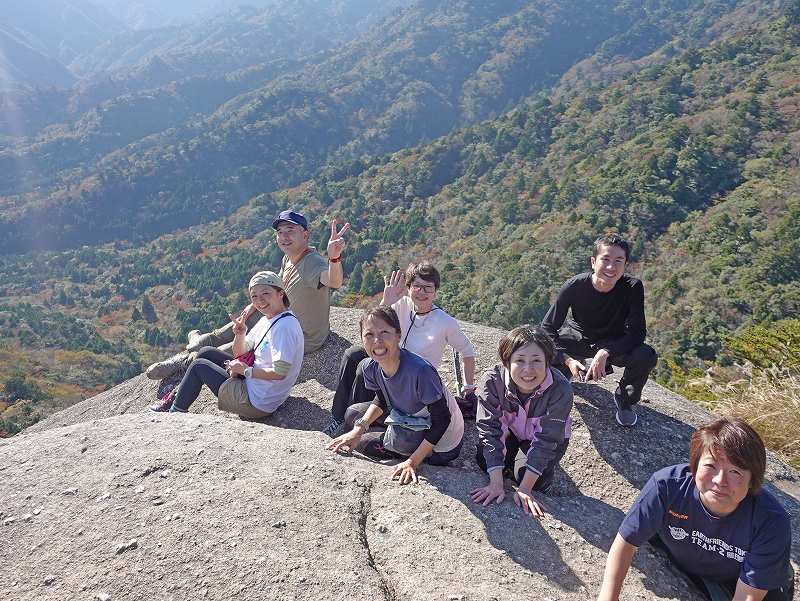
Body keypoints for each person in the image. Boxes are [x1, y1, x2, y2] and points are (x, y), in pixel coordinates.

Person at [596, 418, 794, 601]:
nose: (719, 481)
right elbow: (627, 542)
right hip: (686, 561)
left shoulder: (770, 522)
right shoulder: (667, 487)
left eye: (735, 472)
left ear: (753, 480)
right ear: (695, 466)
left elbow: (748, 596)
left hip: (742, 582)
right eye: (711, 466)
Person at [144, 210, 349, 379]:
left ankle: (183, 361)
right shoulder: (290, 258)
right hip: (279, 316)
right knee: (239, 323)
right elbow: (280, 286)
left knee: (235, 347)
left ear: (305, 234)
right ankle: (198, 341)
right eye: (280, 232)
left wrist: (335, 258)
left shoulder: (312, 262)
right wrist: (254, 305)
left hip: (299, 335)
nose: (284, 237)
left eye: (290, 230)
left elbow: (333, 281)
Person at [321, 262, 477, 438]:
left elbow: (467, 351)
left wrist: (468, 387)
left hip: (412, 382)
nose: (422, 292)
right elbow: (372, 327)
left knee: (364, 367)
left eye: (428, 288)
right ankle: (339, 418)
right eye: (417, 286)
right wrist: (386, 302)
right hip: (390, 363)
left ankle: (358, 421)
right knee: (353, 355)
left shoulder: (445, 322)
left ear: (436, 291)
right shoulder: (400, 304)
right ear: (408, 287)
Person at [326, 305, 464, 484]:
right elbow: (382, 398)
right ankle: (391, 437)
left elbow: (442, 420)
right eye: (369, 334)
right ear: (361, 338)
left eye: (384, 332)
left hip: (443, 443)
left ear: (398, 335)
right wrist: (358, 429)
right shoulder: (371, 366)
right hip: (410, 417)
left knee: (364, 443)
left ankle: (400, 446)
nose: (377, 341)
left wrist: (412, 462)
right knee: (353, 414)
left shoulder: (420, 372)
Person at [541, 233, 657, 427]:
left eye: (618, 261)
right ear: (593, 262)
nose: (611, 267)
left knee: (646, 355)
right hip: (578, 337)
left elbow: (637, 333)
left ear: (625, 264)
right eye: (606, 259)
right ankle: (568, 368)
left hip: (612, 340)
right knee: (539, 344)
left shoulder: (632, 287)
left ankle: (625, 399)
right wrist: (566, 359)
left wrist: (605, 352)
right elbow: (547, 328)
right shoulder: (574, 286)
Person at [149, 271, 304, 416]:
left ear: (280, 293)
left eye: (266, 293)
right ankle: (177, 396)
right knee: (206, 352)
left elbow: (280, 373)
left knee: (199, 367)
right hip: (256, 386)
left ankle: (174, 412)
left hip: (256, 403)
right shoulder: (269, 319)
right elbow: (239, 353)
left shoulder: (285, 327)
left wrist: (246, 371)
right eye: (254, 296)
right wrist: (240, 334)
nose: (259, 300)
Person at [471, 326, 573, 519]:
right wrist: (496, 483)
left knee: (534, 480)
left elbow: (547, 440)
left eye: (536, 361)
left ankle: (527, 467)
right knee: (486, 462)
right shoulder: (492, 381)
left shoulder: (561, 389)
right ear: (507, 362)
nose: (528, 370)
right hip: (510, 431)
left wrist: (525, 489)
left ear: (548, 362)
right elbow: (489, 429)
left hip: (541, 437)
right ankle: (511, 461)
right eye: (519, 360)